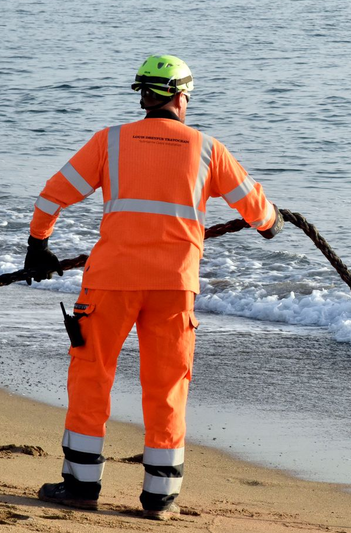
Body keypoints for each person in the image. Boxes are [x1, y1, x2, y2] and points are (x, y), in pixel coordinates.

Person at [22, 55, 282, 521]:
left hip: (110, 283)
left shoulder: (111, 141)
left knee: (91, 377)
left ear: (143, 95)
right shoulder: (207, 149)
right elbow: (260, 216)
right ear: (183, 97)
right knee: (166, 388)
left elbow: (52, 194)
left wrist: (38, 245)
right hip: (174, 288)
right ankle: (160, 499)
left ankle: (81, 486)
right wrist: (273, 223)